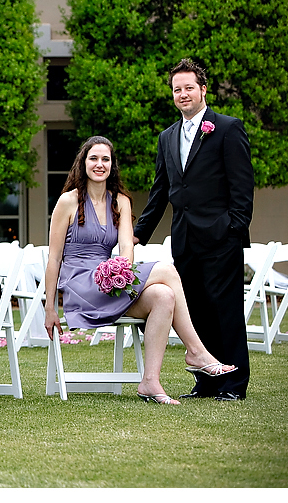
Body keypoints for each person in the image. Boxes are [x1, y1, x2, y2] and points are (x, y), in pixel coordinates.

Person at [43, 136, 236, 405]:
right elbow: (54, 259)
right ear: (82, 163)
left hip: (109, 279)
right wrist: (49, 307)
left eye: (106, 159)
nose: (100, 164)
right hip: (80, 283)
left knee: (163, 296)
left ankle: (149, 382)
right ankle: (196, 351)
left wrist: (120, 272)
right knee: (167, 271)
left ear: (113, 165)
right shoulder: (68, 201)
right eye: (94, 158)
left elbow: (126, 250)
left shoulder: (120, 201)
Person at [134, 58, 255, 401]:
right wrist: (139, 233)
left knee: (225, 312)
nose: (183, 94)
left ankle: (233, 385)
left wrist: (233, 228)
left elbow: (242, 188)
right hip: (185, 240)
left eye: (189, 87)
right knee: (196, 313)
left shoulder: (228, 128)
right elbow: (161, 192)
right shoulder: (167, 137)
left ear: (203, 90)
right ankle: (206, 383)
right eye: (177, 89)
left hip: (221, 238)